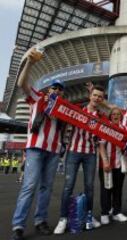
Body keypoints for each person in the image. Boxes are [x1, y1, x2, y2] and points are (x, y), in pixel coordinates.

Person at [11, 48, 65, 240]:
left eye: (60, 89)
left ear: (62, 93)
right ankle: (18, 224)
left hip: (53, 150)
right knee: (30, 185)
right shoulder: (38, 98)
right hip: (35, 147)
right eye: (54, 88)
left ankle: (40, 220)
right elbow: (22, 83)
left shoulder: (64, 109)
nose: (57, 90)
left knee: (46, 187)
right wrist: (30, 63)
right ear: (49, 89)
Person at [54, 85, 105, 234]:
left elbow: (101, 139)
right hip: (74, 151)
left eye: (100, 96)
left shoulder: (101, 117)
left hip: (90, 153)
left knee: (89, 187)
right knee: (68, 185)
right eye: (95, 95)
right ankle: (63, 219)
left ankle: (88, 216)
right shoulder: (77, 109)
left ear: (102, 100)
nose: (97, 98)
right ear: (90, 95)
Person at [98, 108, 127, 224]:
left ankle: (117, 212)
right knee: (106, 188)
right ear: (110, 116)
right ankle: (105, 213)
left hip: (119, 164)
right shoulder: (106, 127)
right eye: (113, 114)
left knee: (118, 189)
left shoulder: (125, 129)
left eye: (118, 114)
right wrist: (105, 161)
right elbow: (101, 146)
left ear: (121, 116)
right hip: (107, 164)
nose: (116, 116)